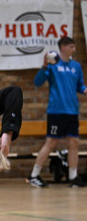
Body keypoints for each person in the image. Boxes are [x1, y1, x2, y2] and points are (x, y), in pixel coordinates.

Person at [28, 36, 87, 187]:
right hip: (56, 111)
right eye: (71, 47)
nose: (74, 49)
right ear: (63, 48)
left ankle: (73, 177)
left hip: (72, 111)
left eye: (74, 47)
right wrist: (44, 66)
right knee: (51, 142)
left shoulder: (76, 66)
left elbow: (80, 86)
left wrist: (85, 90)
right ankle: (34, 175)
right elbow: (37, 82)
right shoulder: (53, 64)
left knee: (74, 142)